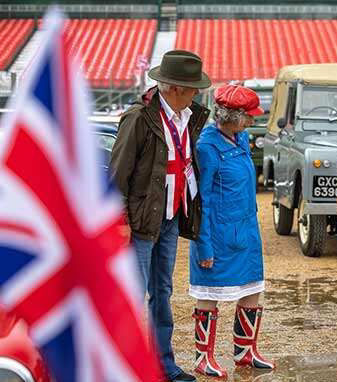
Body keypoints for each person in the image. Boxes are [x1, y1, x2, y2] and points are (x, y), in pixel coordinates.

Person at [110, 50, 211, 382]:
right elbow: (117, 177)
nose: (197, 92)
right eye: (193, 87)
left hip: (168, 215)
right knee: (132, 294)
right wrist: (121, 222)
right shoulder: (138, 118)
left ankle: (161, 363)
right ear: (175, 88)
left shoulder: (187, 116)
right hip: (140, 220)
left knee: (162, 291)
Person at [189, 84, 274, 378]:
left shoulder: (241, 137)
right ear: (229, 116)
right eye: (247, 116)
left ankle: (245, 351)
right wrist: (204, 246)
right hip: (219, 235)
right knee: (208, 294)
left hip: (247, 232)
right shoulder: (207, 146)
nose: (253, 120)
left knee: (253, 289)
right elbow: (203, 201)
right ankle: (203, 357)